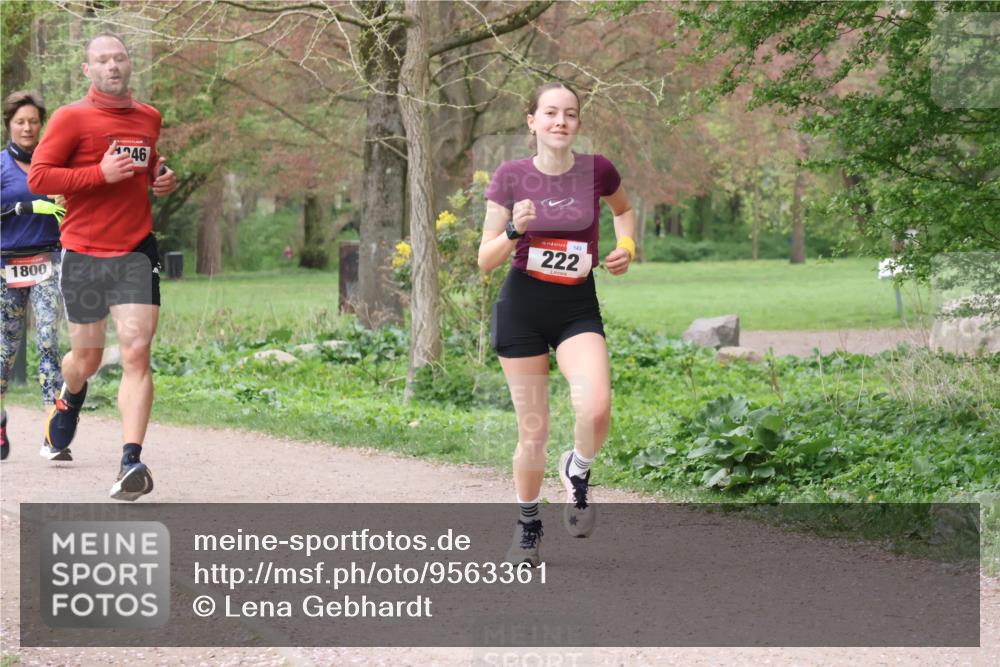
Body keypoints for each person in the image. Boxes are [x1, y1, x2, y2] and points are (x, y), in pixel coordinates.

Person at [478, 82, 636, 565]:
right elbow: (486, 259)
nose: (560, 121)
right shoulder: (510, 176)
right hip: (523, 306)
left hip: (576, 306)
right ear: (532, 121)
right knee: (534, 431)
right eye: (550, 113)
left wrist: (626, 247)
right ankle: (528, 526)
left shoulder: (598, 169)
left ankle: (578, 470)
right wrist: (514, 230)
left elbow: (624, 211)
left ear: (578, 123)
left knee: (597, 407)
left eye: (569, 113)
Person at [28, 32, 178, 500]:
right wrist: (98, 175)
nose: (112, 66)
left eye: (119, 58)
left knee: (136, 352)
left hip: (135, 250)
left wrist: (161, 176)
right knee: (87, 359)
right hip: (85, 254)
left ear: (129, 65)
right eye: (102, 60)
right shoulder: (71, 118)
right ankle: (69, 396)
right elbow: (39, 176)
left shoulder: (149, 117)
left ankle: (131, 461)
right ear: (87, 70)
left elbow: (149, 162)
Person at [1, 91, 67, 462]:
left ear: (42, 124)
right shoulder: (0, 165)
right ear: (9, 124)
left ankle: (52, 432)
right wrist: (24, 206)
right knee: (4, 352)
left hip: (47, 259)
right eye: (20, 122)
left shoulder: (53, 162)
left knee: (47, 341)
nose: (27, 128)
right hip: (5, 263)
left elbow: (74, 197)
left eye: (33, 121)